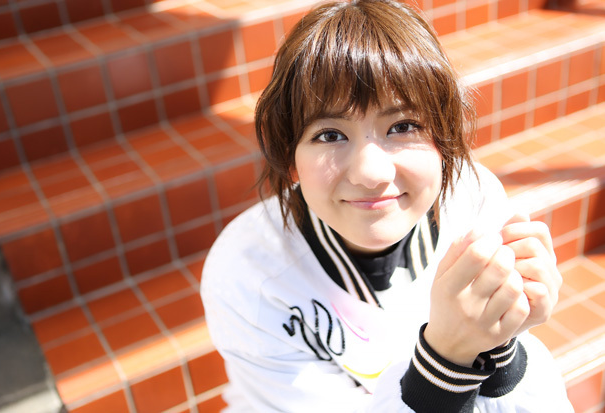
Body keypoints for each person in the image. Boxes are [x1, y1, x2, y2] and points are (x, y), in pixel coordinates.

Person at [200, 0, 572, 411]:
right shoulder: (250, 275)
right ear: (290, 159)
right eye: (329, 135)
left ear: (445, 141)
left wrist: (502, 344)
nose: (371, 173)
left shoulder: (473, 203)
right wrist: (446, 359)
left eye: (403, 126)